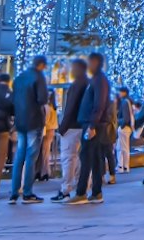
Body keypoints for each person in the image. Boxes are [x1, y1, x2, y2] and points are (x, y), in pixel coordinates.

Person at [70, 52, 113, 204]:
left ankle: (81, 192)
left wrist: (92, 125)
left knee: (86, 157)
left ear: (97, 63)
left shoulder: (100, 80)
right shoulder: (97, 80)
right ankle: (96, 192)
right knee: (94, 159)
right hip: (92, 123)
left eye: (91, 62)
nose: (89, 65)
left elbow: (99, 104)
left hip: (93, 124)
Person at [8, 57, 51, 204]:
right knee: (31, 156)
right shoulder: (39, 77)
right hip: (34, 120)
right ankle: (27, 192)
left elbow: (12, 100)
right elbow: (43, 99)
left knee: (19, 156)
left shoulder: (19, 78)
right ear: (42, 65)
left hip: (21, 121)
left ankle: (14, 192)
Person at [52, 58, 89, 200]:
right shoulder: (88, 84)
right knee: (81, 159)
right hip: (84, 126)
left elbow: (70, 107)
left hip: (72, 126)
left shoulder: (76, 85)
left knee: (68, 158)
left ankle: (65, 189)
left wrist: (62, 128)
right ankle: (83, 186)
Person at [112, 86, 132, 182]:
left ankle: (124, 166)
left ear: (124, 92)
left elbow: (126, 118)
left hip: (124, 128)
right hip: (126, 128)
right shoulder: (128, 101)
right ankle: (121, 166)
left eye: (120, 92)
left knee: (123, 148)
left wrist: (120, 124)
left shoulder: (124, 102)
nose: (119, 94)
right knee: (121, 147)